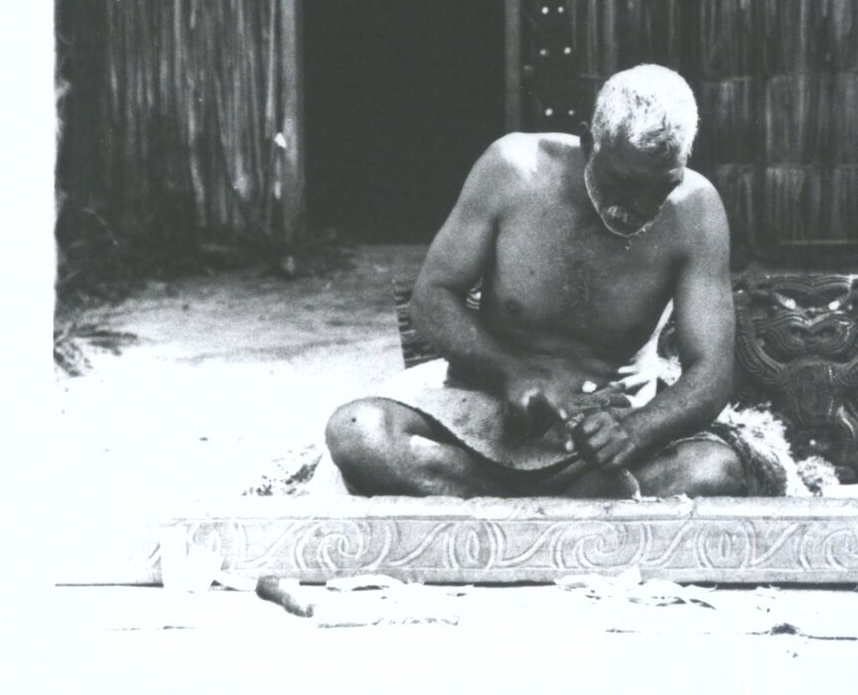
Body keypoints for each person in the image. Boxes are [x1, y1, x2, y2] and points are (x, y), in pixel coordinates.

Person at [324, 65, 804, 499]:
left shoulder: (696, 210)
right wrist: (513, 373)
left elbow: (712, 373)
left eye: (660, 188)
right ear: (589, 144)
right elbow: (431, 299)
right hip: (485, 406)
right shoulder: (512, 170)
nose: (638, 208)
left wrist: (636, 431)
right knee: (357, 432)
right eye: (624, 184)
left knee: (715, 470)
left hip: (608, 432)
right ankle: (572, 503)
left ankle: (484, 497)